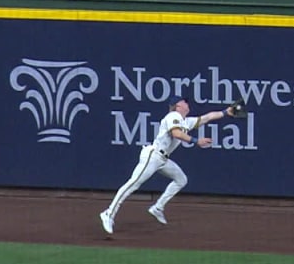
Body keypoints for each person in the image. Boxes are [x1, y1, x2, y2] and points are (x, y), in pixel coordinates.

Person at [99, 95, 237, 234]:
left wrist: (226, 112)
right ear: (177, 106)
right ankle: (108, 213)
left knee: (181, 180)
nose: (187, 103)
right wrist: (196, 141)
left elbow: (207, 117)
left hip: (163, 159)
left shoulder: (185, 121)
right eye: (184, 101)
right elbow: (176, 133)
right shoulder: (173, 116)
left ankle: (158, 207)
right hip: (153, 156)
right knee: (133, 184)